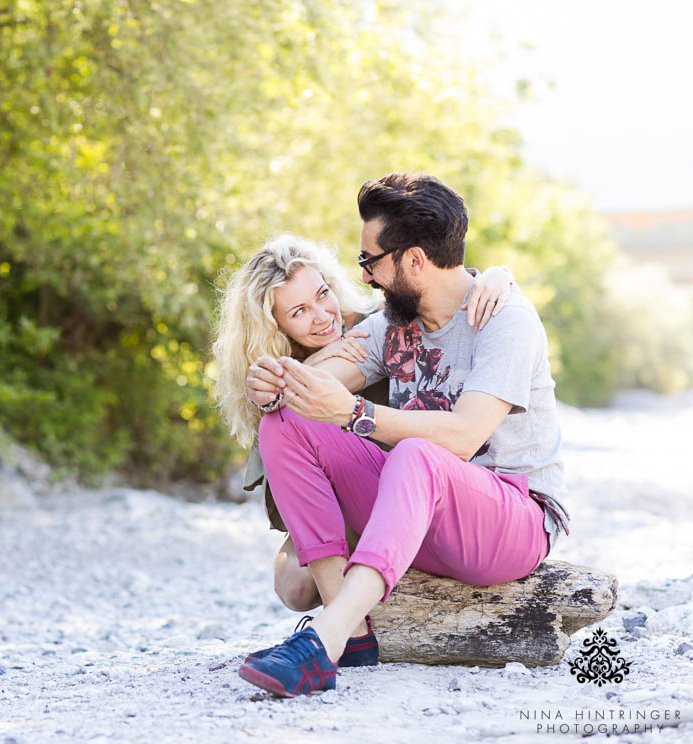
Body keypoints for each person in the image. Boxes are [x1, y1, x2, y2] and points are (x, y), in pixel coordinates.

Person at [228, 172, 570, 698]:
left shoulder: (506, 320)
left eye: (371, 261)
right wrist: (274, 382)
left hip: (510, 521)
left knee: (417, 453)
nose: (364, 279)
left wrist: (356, 414)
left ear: (413, 261)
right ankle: (355, 632)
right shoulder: (391, 324)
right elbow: (315, 383)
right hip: (417, 510)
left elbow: (461, 436)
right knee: (290, 417)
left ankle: (323, 638)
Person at [212, 234, 518, 630]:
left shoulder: (375, 325)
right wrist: (311, 366)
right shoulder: (271, 381)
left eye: (323, 294)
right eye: (299, 312)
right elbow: (282, 481)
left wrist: (498, 274)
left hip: (406, 481)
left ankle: (347, 616)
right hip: (336, 504)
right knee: (294, 586)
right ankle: (347, 623)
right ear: (274, 326)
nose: (322, 316)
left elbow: (443, 290)